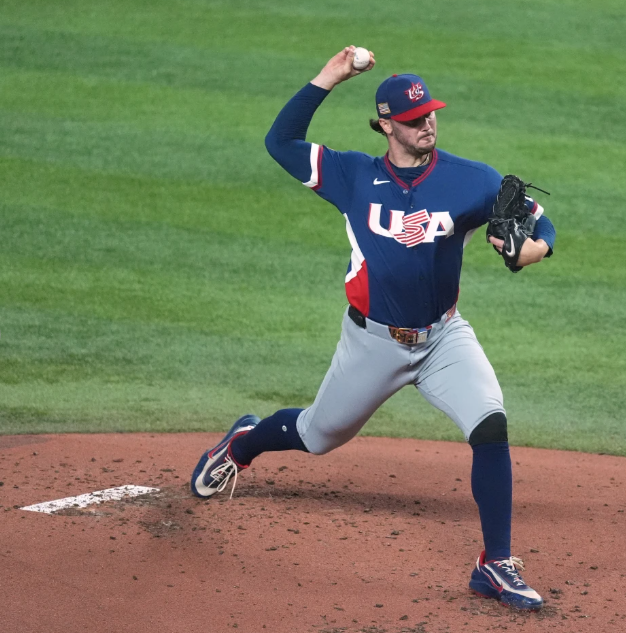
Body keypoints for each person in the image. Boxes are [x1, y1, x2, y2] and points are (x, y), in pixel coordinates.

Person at [190, 46, 557, 611]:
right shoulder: (351, 175)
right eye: (412, 119)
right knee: (318, 435)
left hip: (443, 339)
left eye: (430, 113)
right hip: (372, 341)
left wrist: (533, 250)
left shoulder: (472, 181)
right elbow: (279, 144)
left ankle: (495, 564)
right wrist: (328, 77)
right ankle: (244, 442)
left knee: (490, 423)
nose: (426, 123)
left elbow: (537, 221)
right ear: (387, 125)